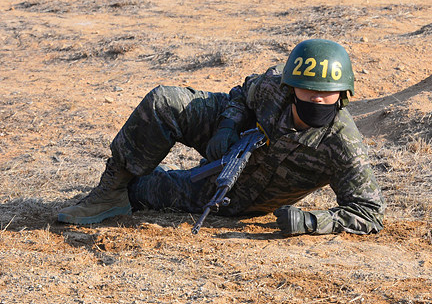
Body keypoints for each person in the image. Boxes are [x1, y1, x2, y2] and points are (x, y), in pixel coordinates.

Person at [57, 39, 385, 236]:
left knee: (147, 191)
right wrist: (228, 126)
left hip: (241, 195)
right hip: (232, 142)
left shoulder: (343, 144)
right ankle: (109, 192)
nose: (316, 98)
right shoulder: (273, 88)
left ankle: (134, 187)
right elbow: (242, 94)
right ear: (290, 87)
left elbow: (368, 212)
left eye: (326, 93)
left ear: (343, 94)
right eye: (308, 89)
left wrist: (311, 221)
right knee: (165, 102)